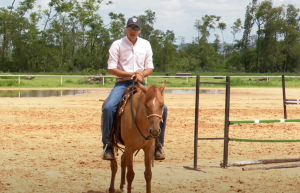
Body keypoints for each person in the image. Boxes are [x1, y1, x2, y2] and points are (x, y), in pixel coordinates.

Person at [101, 16, 167, 160]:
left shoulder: (145, 44)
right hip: (122, 83)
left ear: (139, 30)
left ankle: (158, 145)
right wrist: (132, 74)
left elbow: (150, 67)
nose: (133, 30)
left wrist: (141, 74)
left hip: (140, 85)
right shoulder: (117, 44)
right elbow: (111, 68)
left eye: (135, 28)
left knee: (164, 108)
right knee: (108, 107)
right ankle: (108, 144)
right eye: (130, 27)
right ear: (126, 29)